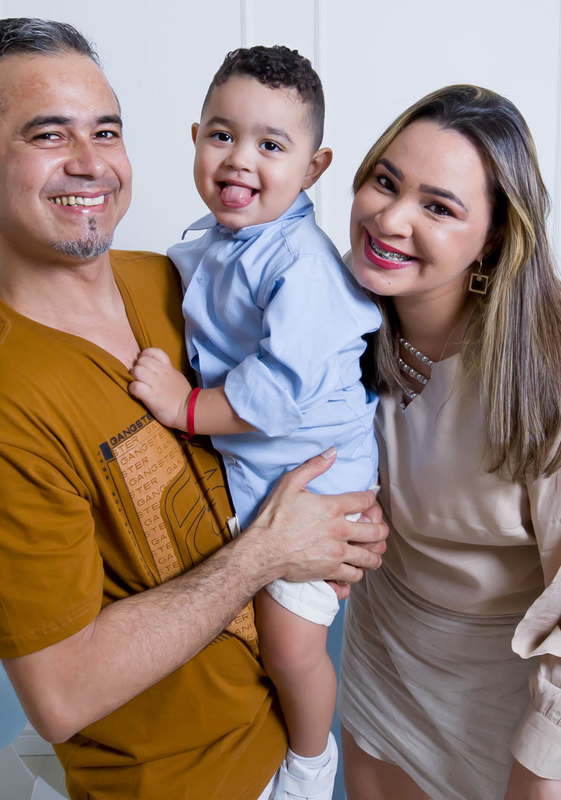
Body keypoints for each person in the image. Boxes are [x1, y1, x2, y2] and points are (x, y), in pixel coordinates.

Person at [0, 18, 386, 800]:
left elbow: (320, 376)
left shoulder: (178, 282)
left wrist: (354, 515)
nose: (90, 161)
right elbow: (62, 695)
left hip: (287, 737)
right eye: (48, 134)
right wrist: (269, 550)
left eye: (105, 130)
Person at [336, 85, 561, 800]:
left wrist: (541, 763)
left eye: (438, 206)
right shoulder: (335, 312)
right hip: (383, 656)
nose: (390, 219)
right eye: (385, 182)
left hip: (507, 689)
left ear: (492, 237)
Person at [127, 45, 380, 800]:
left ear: (313, 167)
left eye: (271, 145)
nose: (240, 158)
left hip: (322, 483)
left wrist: (183, 406)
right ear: (195, 138)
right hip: (263, 472)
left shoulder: (301, 264)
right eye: (222, 135)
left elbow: (273, 393)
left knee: (290, 645)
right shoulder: (218, 242)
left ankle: (311, 763)